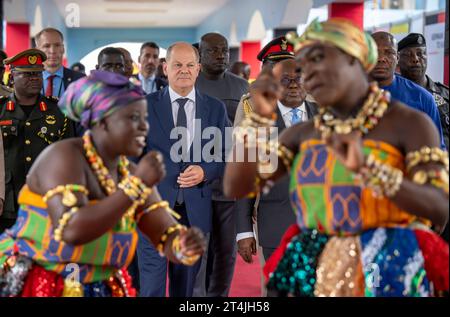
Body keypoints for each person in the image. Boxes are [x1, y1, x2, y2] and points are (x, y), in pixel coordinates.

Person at [224, 18, 449, 297]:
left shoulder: (410, 124)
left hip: (389, 262)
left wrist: (374, 172)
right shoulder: (304, 133)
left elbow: (439, 208)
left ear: (358, 61)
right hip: (319, 263)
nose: (310, 74)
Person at [0, 70, 206, 297]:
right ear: (103, 122)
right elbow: (72, 229)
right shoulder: (64, 156)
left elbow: (164, 234)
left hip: (100, 282)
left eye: (144, 118)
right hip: (44, 282)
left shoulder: (128, 171)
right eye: (133, 118)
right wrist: (136, 185)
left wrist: (183, 245)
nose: (144, 127)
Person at [137, 42, 229, 297]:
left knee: (186, 289)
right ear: (165, 68)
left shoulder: (215, 109)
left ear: (199, 69)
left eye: (190, 65)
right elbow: (132, 157)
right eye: (177, 65)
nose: (184, 70)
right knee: (152, 286)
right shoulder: (144, 107)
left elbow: (226, 154)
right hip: (154, 211)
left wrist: (206, 171)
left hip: (195, 211)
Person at [236, 59, 317, 265]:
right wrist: (244, 231)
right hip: (276, 224)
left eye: (298, 79)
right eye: (285, 80)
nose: (292, 85)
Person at [193, 32, 248, 297]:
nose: (221, 55)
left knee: (226, 251)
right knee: (199, 251)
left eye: (224, 50)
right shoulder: (187, 85)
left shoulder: (242, 87)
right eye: (213, 51)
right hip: (196, 185)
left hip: (230, 185)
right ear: (200, 55)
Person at [0, 48, 76, 234]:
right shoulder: (1, 110)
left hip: (46, 201)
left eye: (37, 73)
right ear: (12, 78)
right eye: (27, 74)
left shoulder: (59, 111)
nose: (34, 78)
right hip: (8, 202)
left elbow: (70, 158)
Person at [369, 31, 445, 150]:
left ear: (397, 58)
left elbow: (437, 150)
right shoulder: (349, 96)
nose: (382, 58)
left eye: (389, 52)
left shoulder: (423, 98)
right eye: (375, 52)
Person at [398, 33, 449, 151]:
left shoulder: (445, 94)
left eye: (420, 54)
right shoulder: (394, 95)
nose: (415, 59)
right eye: (408, 55)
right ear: (398, 59)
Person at [234, 36, 295, 126]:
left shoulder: (313, 101)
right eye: (275, 66)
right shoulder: (250, 103)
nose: (282, 72)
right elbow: (239, 139)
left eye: (288, 66)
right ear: (264, 69)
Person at [35, 28, 85, 98]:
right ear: (37, 51)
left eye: (57, 45)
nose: (52, 51)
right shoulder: (28, 80)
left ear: (63, 49)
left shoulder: (80, 80)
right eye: (47, 46)